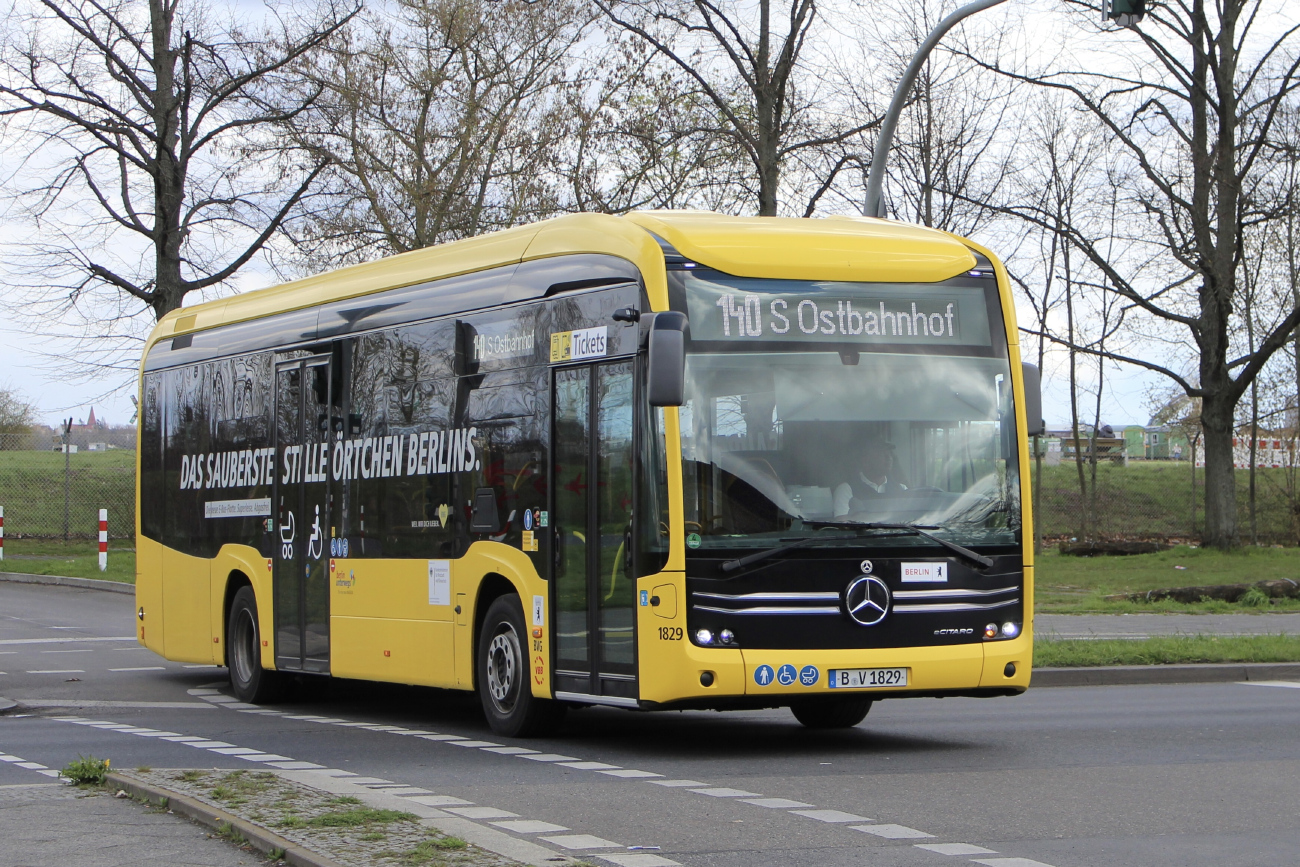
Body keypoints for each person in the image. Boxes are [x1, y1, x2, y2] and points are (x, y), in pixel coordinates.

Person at [833, 439, 907, 517]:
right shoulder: (846, 490)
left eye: (890, 454)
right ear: (865, 461)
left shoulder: (902, 489)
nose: (888, 458)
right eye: (881, 454)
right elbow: (843, 525)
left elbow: (909, 521)